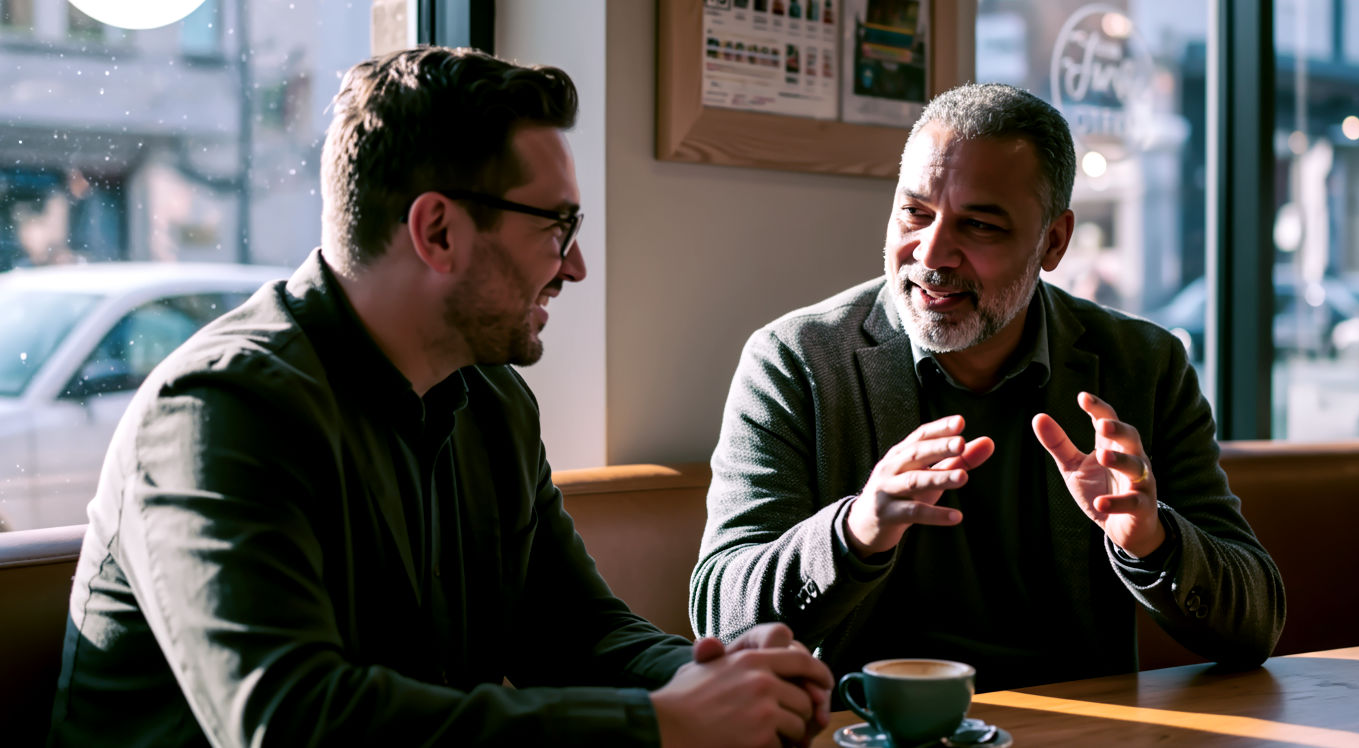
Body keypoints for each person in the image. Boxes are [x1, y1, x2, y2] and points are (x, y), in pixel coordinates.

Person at [49, 46, 831, 747]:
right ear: (439, 232)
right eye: (557, 226)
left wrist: (720, 676)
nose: (575, 265)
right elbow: (291, 719)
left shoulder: (492, 401)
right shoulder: (218, 409)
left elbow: (577, 631)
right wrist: (661, 724)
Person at [690, 82, 1285, 694]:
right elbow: (720, 619)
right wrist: (856, 529)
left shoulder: (1144, 365)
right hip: (864, 727)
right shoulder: (797, 360)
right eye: (914, 213)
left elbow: (1256, 626)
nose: (932, 253)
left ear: (1054, 242)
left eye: (978, 225)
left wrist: (1152, 540)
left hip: (1081, 730)